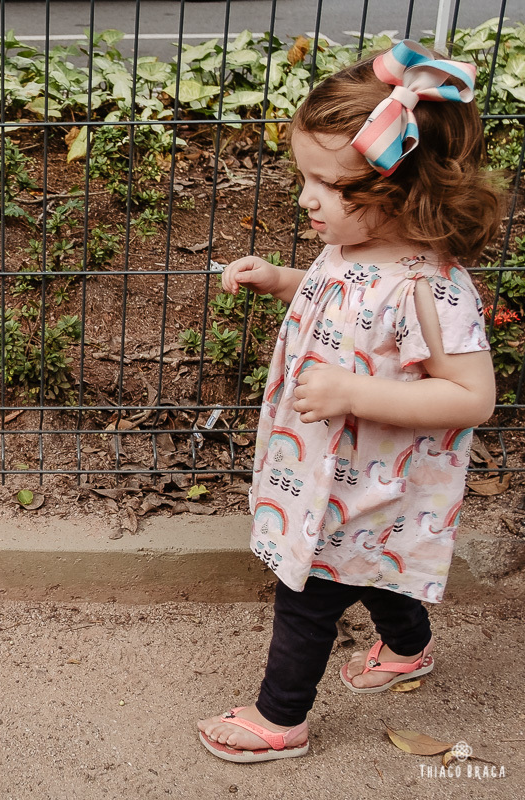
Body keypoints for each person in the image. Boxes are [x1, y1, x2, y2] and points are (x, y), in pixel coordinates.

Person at [197, 40, 505, 763]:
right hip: (328, 465)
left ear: (408, 195)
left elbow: (474, 397)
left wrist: (351, 391)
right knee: (366, 568)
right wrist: (280, 278)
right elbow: (345, 296)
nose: (308, 197)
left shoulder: (432, 287)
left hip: (372, 481)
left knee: (309, 588)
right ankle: (409, 649)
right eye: (306, 177)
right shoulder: (352, 248)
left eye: (331, 186)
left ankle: (281, 720)